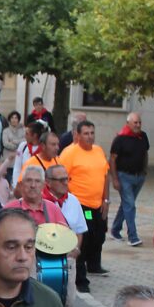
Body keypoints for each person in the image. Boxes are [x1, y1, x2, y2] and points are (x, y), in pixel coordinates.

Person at [59, 120, 111, 293]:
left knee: (99, 235)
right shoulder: (70, 153)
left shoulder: (98, 151)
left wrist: (106, 201)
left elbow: (105, 176)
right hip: (81, 205)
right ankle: (80, 279)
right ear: (78, 135)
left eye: (92, 133)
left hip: (98, 204)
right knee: (84, 239)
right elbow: (60, 178)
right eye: (86, 133)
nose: (90, 136)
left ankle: (94, 265)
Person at [42, 164, 88, 307]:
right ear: (48, 182)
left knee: (68, 300)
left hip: (68, 259)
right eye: (60, 180)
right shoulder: (40, 201)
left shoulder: (73, 200)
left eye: (67, 179)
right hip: (45, 260)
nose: (65, 183)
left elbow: (79, 229)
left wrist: (75, 250)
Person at [110, 112, 150, 246]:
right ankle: (133, 236)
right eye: (135, 123)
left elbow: (145, 153)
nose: (138, 125)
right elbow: (113, 159)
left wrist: (145, 170)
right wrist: (115, 179)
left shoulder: (143, 136)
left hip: (139, 176)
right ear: (128, 123)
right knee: (130, 205)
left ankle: (115, 229)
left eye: (139, 123)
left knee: (127, 205)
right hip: (124, 176)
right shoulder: (120, 139)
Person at [4, 166, 69, 226]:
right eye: (29, 180)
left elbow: (64, 235)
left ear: (43, 185)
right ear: (22, 184)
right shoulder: (9, 209)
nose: (33, 185)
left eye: (37, 181)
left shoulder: (53, 209)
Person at [11, 122, 45, 188]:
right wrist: (16, 185)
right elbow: (17, 167)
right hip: (23, 185)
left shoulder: (44, 149)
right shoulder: (23, 146)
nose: (25, 136)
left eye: (27, 134)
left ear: (35, 135)